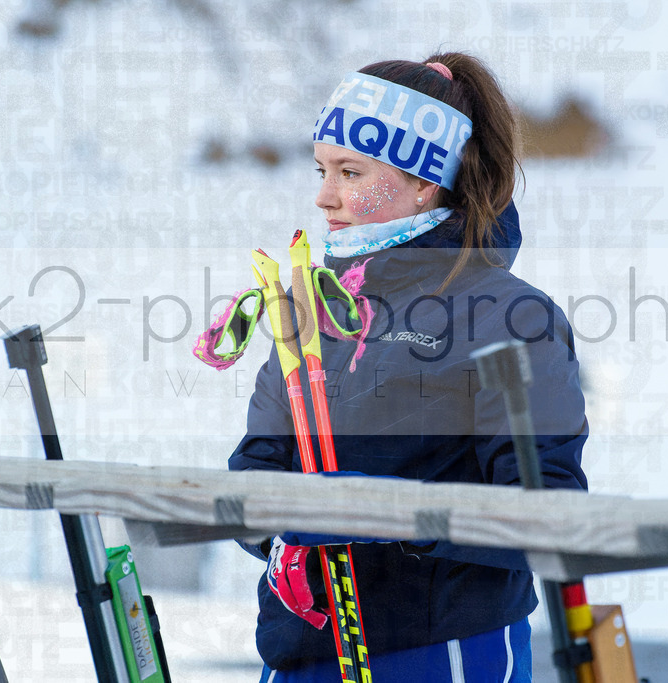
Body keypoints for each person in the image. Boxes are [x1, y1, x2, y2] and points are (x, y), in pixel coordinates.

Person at [228, 52, 589, 682]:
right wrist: (281, 521)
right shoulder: (317, 314)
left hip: (441, 649)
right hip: (302, 648)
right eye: (321, 170)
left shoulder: (510, 316)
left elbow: (546, 512)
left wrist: (382, 513)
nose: (323, 195)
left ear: (424, 181)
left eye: (349, 171)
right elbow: (253, 471)